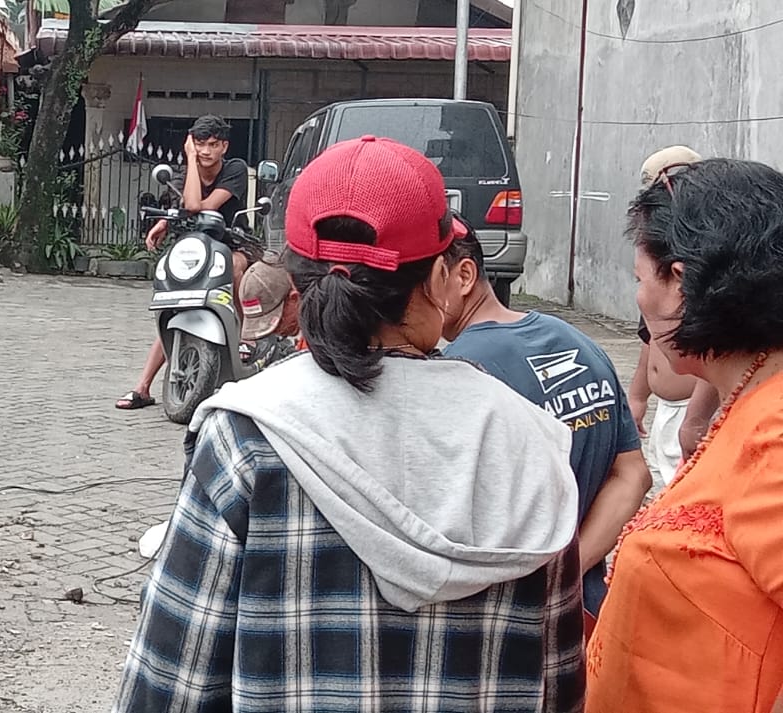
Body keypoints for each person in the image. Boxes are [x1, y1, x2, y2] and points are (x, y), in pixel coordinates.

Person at [113, 136, 584, 712]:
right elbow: (560, 689)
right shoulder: (531, 445)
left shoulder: (248, 437)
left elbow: (168, 687)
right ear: (440, 276)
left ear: (295, 278)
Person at [587, 158, 783, 712]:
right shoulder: (744, 398)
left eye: (638, 279)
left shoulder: (774, 433)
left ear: (679, 282)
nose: (639, 302)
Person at [440, 220, 650, 622]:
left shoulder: (460, 372)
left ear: (464, 275)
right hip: (588, 610)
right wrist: (571, 572)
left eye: (423, 279)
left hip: (510, 621)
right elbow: (633, 475)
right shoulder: (578, 341)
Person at [116, 115, 253, 410]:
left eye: (212, 145)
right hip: (197, 250)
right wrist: (164, 223)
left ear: (224, 146)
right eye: (199, 144)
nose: (205, 151)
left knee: (235, 268)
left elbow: (197, 207)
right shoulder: (182, 174)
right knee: (176, 305)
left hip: (232, 245)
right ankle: (143, 386)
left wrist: (190, 158)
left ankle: (246, 337)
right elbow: (182, 206)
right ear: (191, 144)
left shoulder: (235, 169)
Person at [625, 145, 715, 489]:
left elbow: (721, 345)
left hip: (691, 408)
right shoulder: (655, 249)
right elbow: (650, 337)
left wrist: (697, 417)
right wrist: (637, 396)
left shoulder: (703, 257)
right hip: (667, 407)